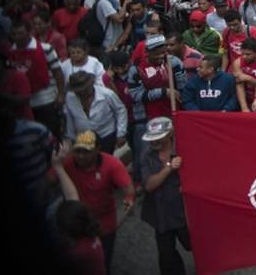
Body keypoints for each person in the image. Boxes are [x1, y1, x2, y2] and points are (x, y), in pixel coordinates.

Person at [62, 130, 134, 270]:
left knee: (102, 263)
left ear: (98, 149)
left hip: (104, 223)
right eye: (78, 151)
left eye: (86, 151)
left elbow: (128, 188)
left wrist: (129, 199)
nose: (81, 156)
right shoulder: (68, 163)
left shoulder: (112, 164)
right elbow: (49, 179)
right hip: (76, 225)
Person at [139, 116, 193, 275]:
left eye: (158, 138)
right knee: (166, 255)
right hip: (160, 214)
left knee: (194, 245)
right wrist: (169, 167)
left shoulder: (185, 148)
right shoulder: (146, 155)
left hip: (184, 213)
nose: (153, 142)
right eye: (151, 139)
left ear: (170, 134)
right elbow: (149, 186)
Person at [63, 71, 128, 154]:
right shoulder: (70, 97)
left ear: (91, 85)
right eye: (78, 91)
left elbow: (121, 110)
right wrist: (71, 139)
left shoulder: (107, 94)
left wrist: (121, 134)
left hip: (107, 136)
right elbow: (70, 119)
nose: (82, 93)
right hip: (83, 139)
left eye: (84, 90)